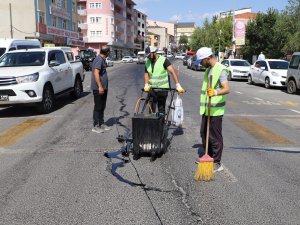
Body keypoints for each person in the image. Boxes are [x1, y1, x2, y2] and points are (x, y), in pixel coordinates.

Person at [196, 47, 230, 172]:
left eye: (201, 61)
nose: (200, 64)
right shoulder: (208, 70)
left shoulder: (220, 69)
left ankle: (216, 162)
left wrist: (215, 92)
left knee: (215, 137)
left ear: (207, 58)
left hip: (216, 110)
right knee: (204, 134)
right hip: (207, 109)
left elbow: (227, 88)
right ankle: (207, 157)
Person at [143, 46, 185, 115]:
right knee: (151, 108)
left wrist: (178, 85)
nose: (148, 57)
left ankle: (161, 124)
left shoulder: (164, 60)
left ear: (154, 52)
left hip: (162, 89)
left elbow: (172, 72)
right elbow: (146, 74)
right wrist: (146, 85)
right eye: (147, 56)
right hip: (152, 89)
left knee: (161, 109)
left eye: (149, 55)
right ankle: (152, 123)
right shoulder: (147, 61)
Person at [91, 45, 112, 133]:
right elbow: (96, 73)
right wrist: (100, 86)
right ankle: (95, 126)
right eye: (109, 52)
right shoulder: (99, 60)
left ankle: (102, 124)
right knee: (98, 106)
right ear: (107, 53)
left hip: (103, 88)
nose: (109, 53)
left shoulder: (101, 59)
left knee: (102, 106)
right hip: (98, 88)